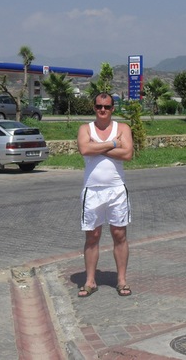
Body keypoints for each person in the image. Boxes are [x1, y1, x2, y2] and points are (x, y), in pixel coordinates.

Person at [76, 92, 134, 297]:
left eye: (107, 107)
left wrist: (97, 147)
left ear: (112, 108)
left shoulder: (123, 128)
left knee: (119, 234)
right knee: (92, 236)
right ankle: (90, 281)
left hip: (116, 190)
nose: (103, 110)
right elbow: (84, 149)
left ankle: (122, 281)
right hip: (92, 190)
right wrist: (113, 144)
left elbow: (128, 154)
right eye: (99, 106)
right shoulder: (85, 129)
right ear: (94, 107)